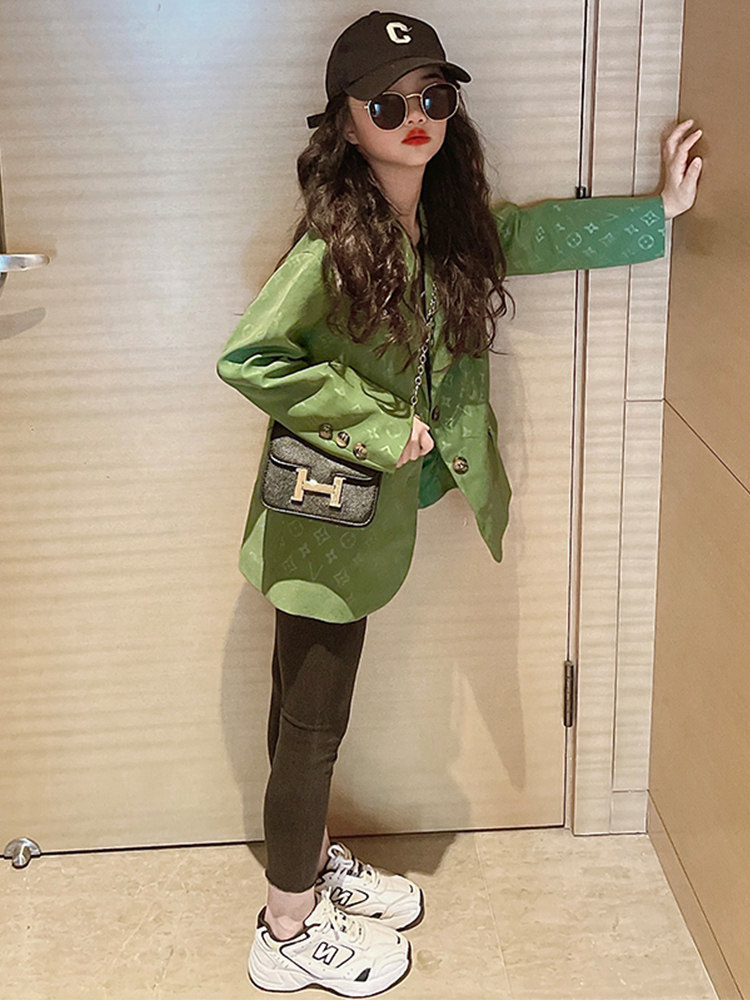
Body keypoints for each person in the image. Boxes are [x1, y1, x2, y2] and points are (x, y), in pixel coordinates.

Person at [216, 10, 702, 996]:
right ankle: (285, 925)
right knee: (312, 723)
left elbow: (531, 234)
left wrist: (659, 211)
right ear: (345, 122)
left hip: (358, 520)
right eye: (388, 103)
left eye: (434, 98)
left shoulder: (446, 230)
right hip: (323, 522)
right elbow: (250, 357)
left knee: (303, 713)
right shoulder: (331, 245)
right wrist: (378, 422)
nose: (416, 119)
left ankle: (307, 861)